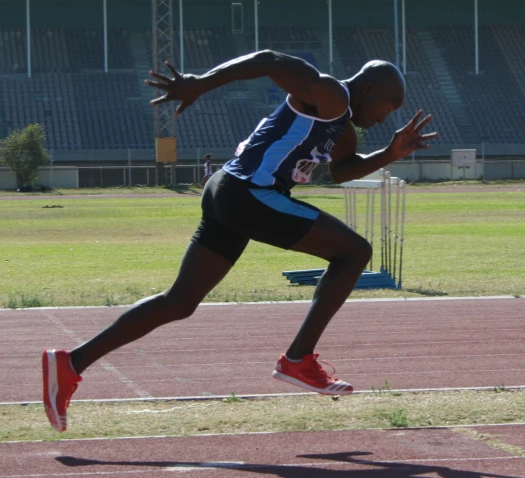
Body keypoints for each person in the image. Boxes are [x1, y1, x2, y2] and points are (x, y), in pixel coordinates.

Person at [41, 51, 436, 432]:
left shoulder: (342, 127)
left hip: (228, 192)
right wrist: (200, 83)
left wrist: (389, 153)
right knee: (355, 251)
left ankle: (71, 363)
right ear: (368, 89)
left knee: (178, 302)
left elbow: (342, 171)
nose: (387, 118)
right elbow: (269, 60)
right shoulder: (333, 95)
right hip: (247, 193)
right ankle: (298, 359)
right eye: (388, 107)